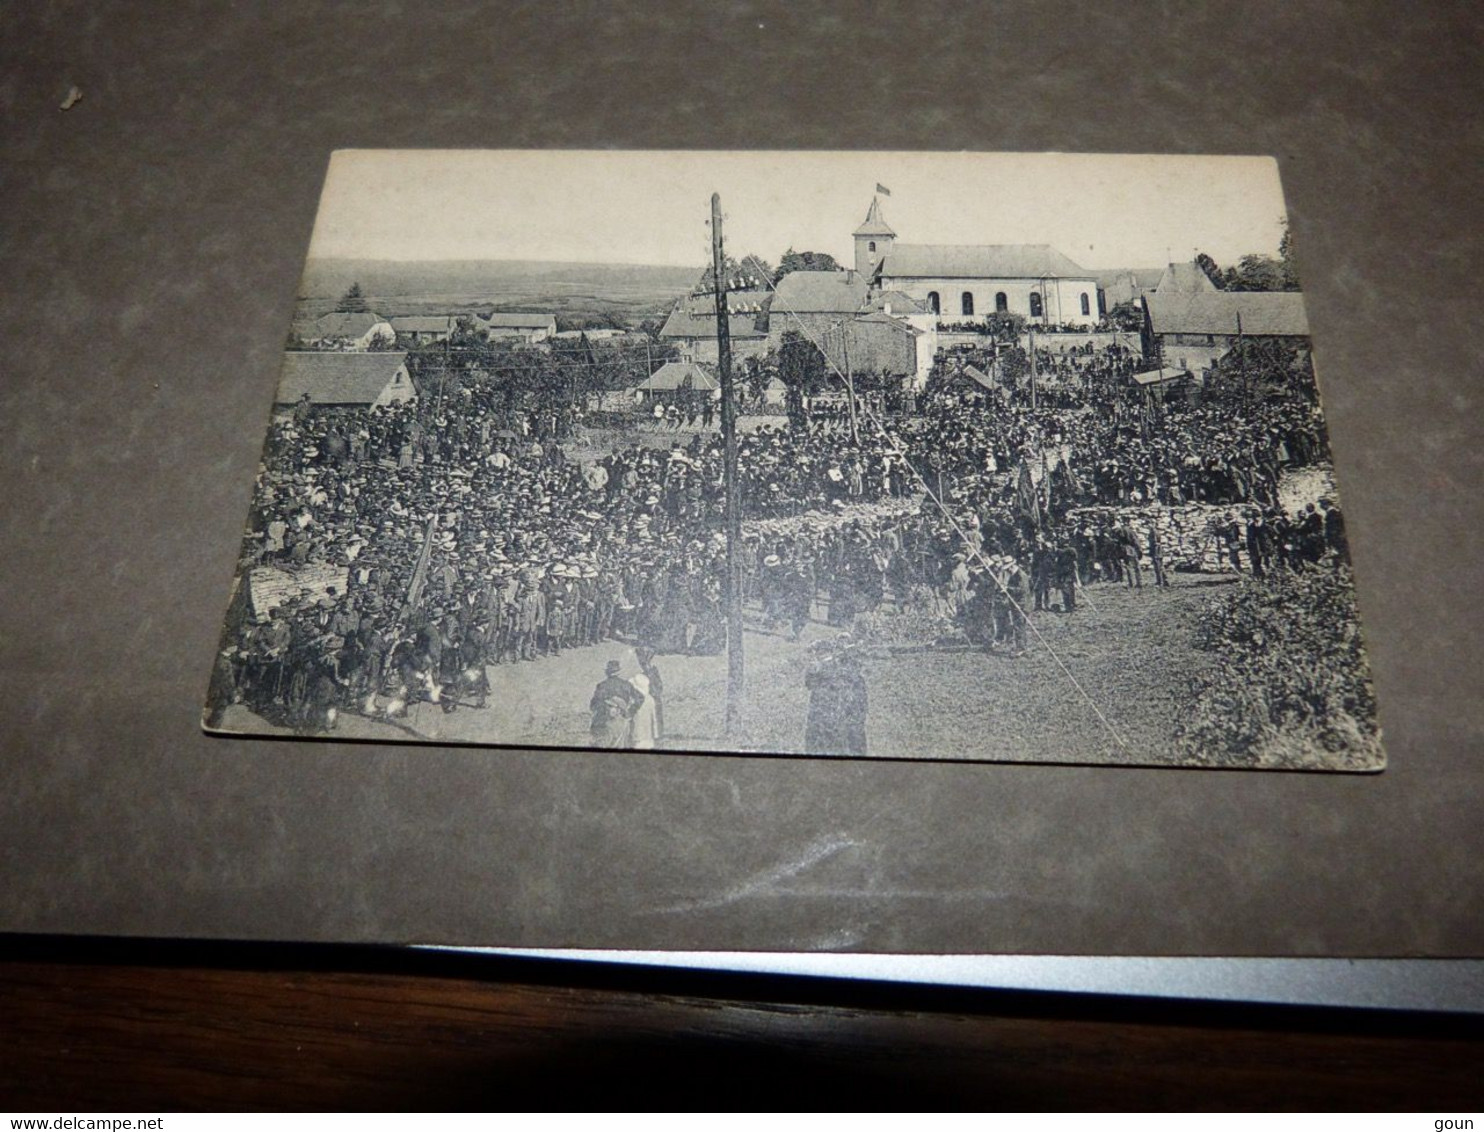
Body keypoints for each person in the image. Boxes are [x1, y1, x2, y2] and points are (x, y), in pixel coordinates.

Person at [803, 636, 868, 756]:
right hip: (841, 711)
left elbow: (810, 683)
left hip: (832, 712)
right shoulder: (849, 673)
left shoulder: (826, 669)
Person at [589, 659, 643, 749]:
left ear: (607, 672)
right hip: (622, 720)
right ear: (619, 672)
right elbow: (640, 698)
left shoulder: (602, 686)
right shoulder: (626, 685)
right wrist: (630, 711)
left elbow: (593, 705)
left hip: (606, 721)